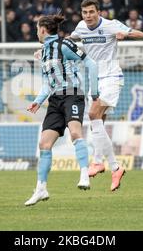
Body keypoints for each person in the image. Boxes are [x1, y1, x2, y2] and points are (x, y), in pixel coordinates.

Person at [69, 0, 143, 191]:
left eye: (91, 12)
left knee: (93, 114)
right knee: (97, 122)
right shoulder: (81, 27)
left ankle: (101, 163)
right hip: (93, 77)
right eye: (85, 12)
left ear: (99, 12)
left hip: (111, 75)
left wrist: (125, 34)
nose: (88, 16)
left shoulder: (111, 25)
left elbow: (142, 34)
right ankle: (113, 166)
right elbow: (72, 38)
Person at [25, 14, 99, 206]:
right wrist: (38, 101)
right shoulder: (44, 53)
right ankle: (41, 189)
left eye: (37, 29)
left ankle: (84, 174)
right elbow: (47, 83)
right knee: (44, 143)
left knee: (75, 132)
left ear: (42, 30)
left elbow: (90, 63)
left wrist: (94, 91)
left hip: (72, 95)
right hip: (55, 100)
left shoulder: (64, 45)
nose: (36, 32)